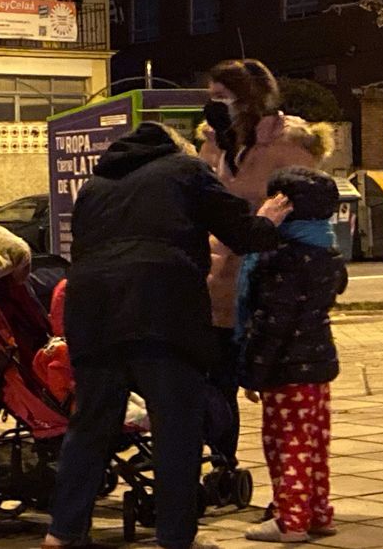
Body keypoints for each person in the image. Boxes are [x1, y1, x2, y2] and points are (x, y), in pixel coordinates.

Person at [43, 122, 293, 549]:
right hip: (162, 310)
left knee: (90, 425)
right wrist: (267, 220)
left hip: (92, 313)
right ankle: (175, 536)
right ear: (177, 147)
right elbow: (241, 233)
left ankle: (62, 532)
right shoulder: (185, 169)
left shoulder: (96, 185)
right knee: (176, 426)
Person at [199, 59, 331, 468]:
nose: (214, 105)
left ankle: (293, 484)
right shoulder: (214, 142)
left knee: (277, 394)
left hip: (265, 286)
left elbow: (305, 214)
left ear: (249, 99)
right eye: (211, 96)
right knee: (215, 382)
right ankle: (223, 465)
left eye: (222, 96)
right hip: (214, 284)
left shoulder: (289, 145)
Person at [239, 167, 345, 543]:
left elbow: (272, 323)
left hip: (286, 368)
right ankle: (317, 512)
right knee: (314, 443)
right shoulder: (327, 252)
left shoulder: (281, 260)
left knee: (287, 445)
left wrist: (251, 373)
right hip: (318, 363)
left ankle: (291, 519)